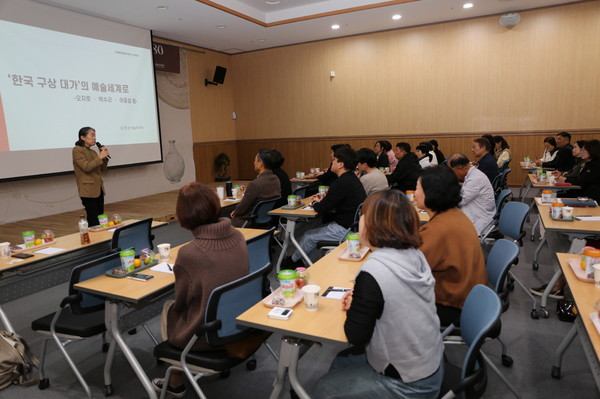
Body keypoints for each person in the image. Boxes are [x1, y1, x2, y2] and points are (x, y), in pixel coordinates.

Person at [312, 190, 444, 399]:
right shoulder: (414, 253)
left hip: (410, 382)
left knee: (323, 389)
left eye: (363, 215)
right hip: (429, 359)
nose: (360, 221)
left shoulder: (374, 271)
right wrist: (363, 301)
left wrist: (359, 304)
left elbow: (355, 335)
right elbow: (395, 298)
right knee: (342, 361)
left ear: (375, 224)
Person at [152, 182, 249, 398]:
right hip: (239, 321)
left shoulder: (191, 253)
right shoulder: (238, 235)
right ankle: (176, 373)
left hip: (208, 334)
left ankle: (175, 379)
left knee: (169, 308)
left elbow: (183, 302)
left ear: (183, 215)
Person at [415, 166, 488, 326]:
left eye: (417, 188)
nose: (414, 194)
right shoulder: (453, 214)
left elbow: (410, 269)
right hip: (470, 297)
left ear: (430, 192)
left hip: (453, 304)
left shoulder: (439, 229)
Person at [287, 147, 366, 264]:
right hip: (351, 225)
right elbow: (333, 201)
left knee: (309, 236)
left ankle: (292, 262)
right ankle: (305, 263)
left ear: (340, 164)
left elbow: (321, 208)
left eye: (333, 160)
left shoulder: (341, 182)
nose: (331, 163)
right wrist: (324, 201)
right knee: (314, 233)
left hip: (345, 229)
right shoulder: (351, 179)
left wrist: (315, 202)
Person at [447, 154, 496, 236]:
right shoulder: (473, 174)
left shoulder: (475, 178)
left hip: (479, 221)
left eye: (452, 171)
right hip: (475, 213)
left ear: (460, 168)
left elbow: (459, 201)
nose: (452, 175)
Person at [230, 149, 280, 227]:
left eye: (255, 160)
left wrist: (235, 211)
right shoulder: (276, 179)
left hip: (247, 221)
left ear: (260, 164)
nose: (254, 163)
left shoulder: (255, 184)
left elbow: (242, 208)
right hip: (265, 220)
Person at [72, 126, 110, 227]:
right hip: (87, 189)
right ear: (83, 137)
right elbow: (86, 167)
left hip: (98, 188)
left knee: (100, 217)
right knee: (93, 219)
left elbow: (102, 168)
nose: (95, 138)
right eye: (92, 135)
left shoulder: (93, 152)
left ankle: (101, 238)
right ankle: (95, 240)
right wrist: (100, 156)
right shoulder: (77, 150)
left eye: (95, 136)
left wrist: (104, 157)